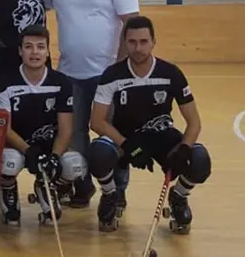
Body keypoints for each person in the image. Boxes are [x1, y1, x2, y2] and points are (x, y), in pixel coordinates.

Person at [44, 0, 139, 208]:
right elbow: (32, 6)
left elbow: (132, 26)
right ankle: (81, 186)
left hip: (106, 77)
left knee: (113, 133)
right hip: (69, 75)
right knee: (74, 135)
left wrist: (119, 70)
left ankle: (117, 190)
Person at [88, 16, 210, 233]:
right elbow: (97, 122)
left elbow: (194, 122)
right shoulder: (112, 75)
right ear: (124, 43)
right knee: (98, 153)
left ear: (154, 42)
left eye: (144, 42)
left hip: (162, 136)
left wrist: (184, 148)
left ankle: (179, 196)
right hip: (126, 139)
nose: (138, 48)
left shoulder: (171, 73)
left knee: (200, 159)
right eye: (132, 42)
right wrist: (128, 146)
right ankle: (110, 194)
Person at [0, 25, 87, 226]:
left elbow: (66, 129)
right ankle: (7, 189)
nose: (34, 52)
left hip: (49, 147)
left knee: (76, 166)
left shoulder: (61, 82)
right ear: (20, 51)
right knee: (9, 162)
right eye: (28, 47)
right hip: (18, 147)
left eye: (40, 47)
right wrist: (29, 151)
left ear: (48, 52)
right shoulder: (4, 81)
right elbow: (5, 129)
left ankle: (47, 185)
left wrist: (54, 157)